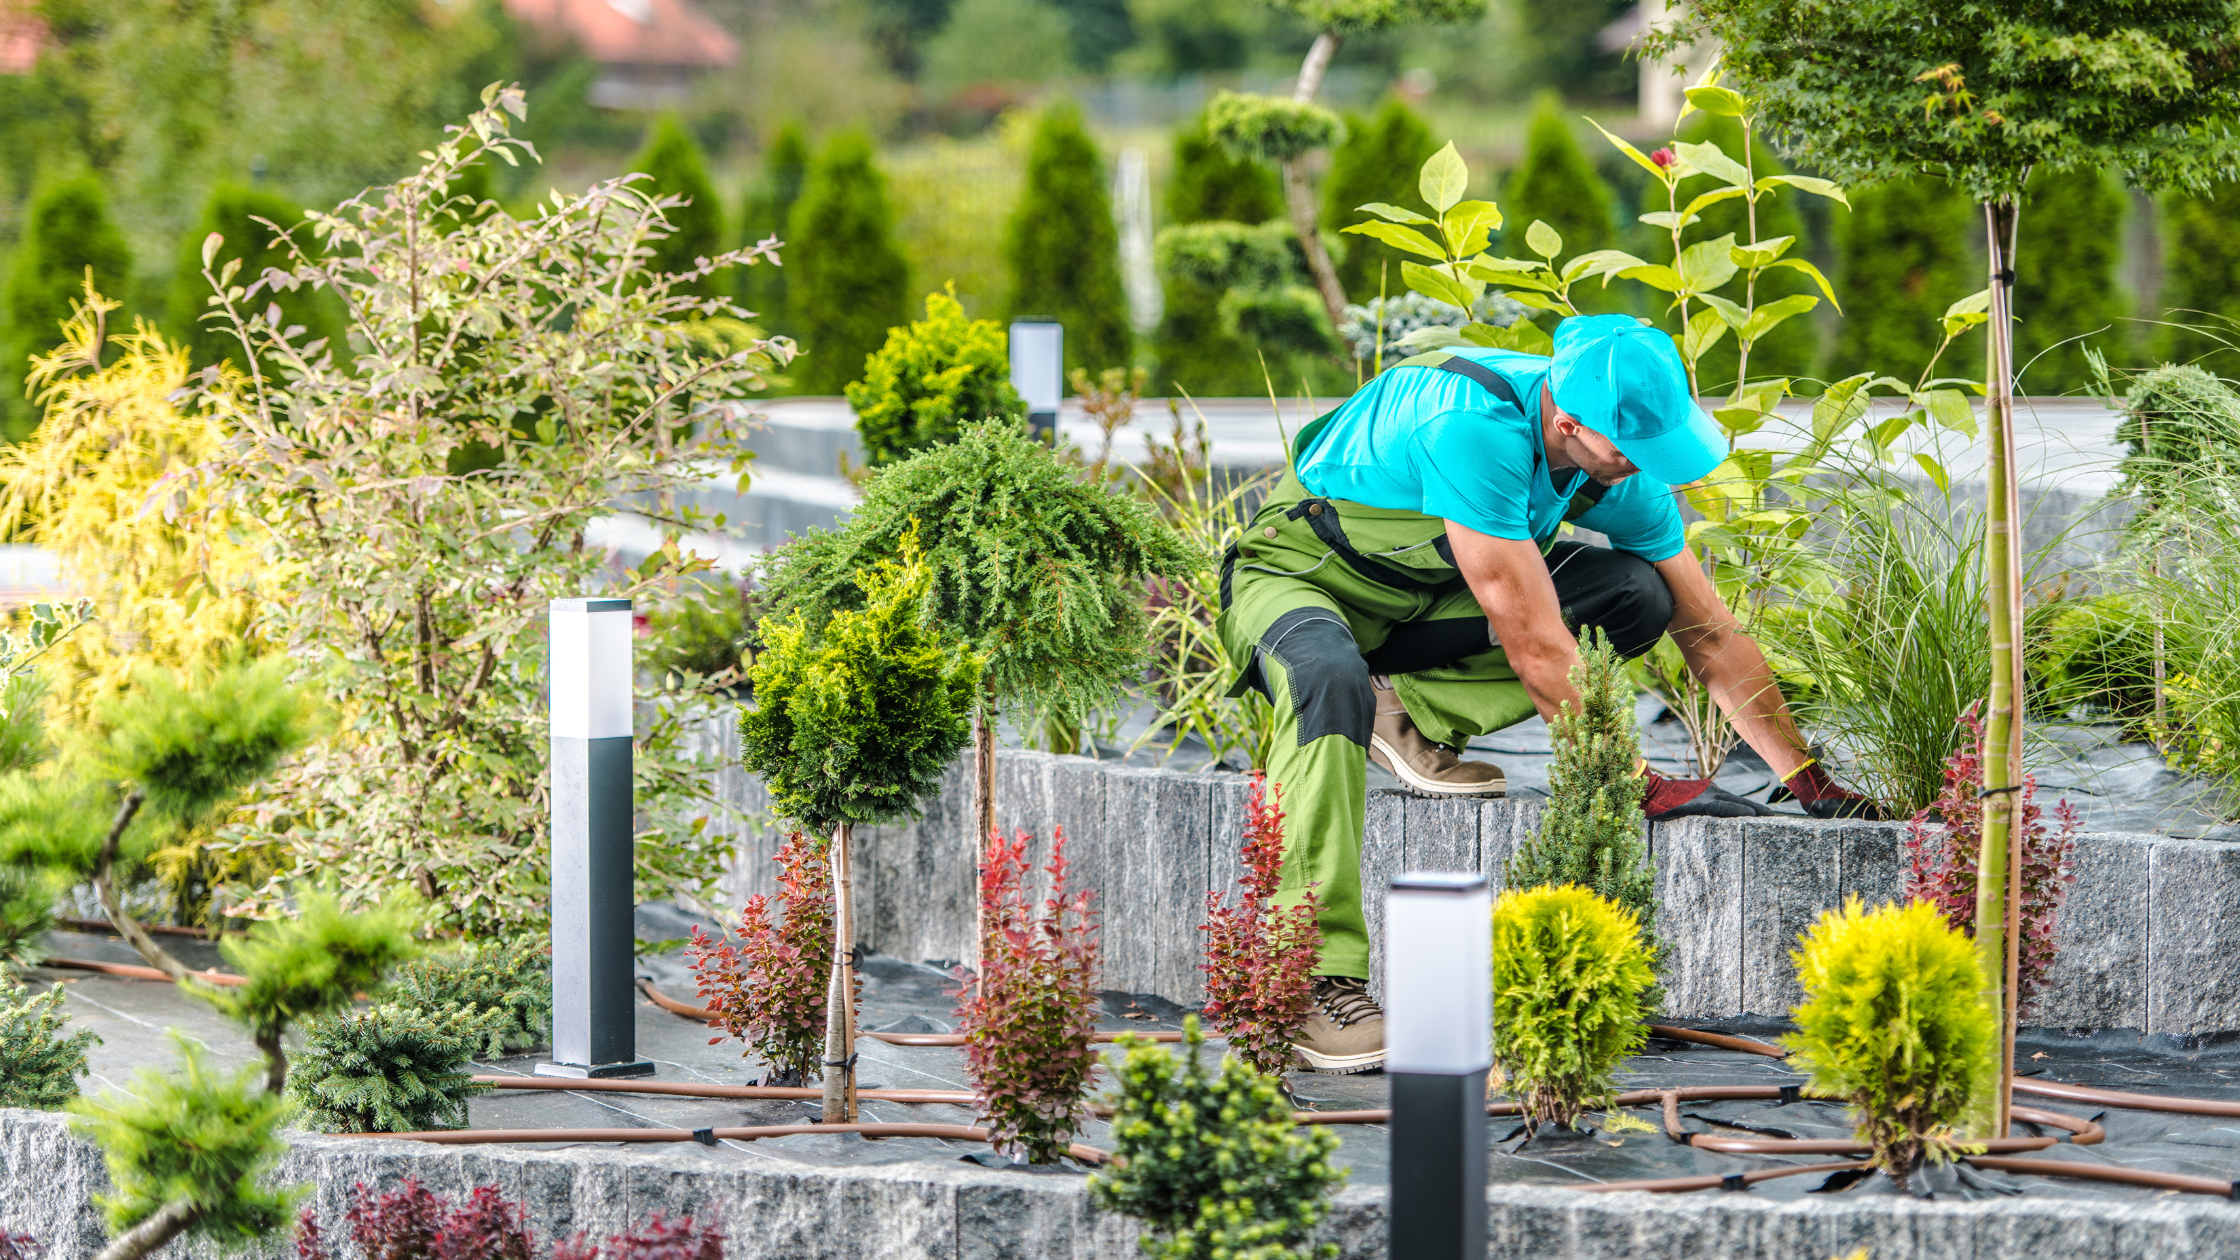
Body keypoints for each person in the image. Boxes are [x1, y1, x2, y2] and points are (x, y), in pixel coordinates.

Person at [1215, 314, 1880, 1075]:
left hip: (1423, 604)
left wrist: (1809, 779)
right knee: (1325, 679)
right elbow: (1531, 640)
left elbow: (1713, 635)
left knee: (1634, 595)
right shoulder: (1467, 425)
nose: (1640, 467)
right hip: (1298, 582)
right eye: (1631, 450)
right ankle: (1311, 978)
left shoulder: (1603, 463)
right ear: (1568, 422)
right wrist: (1629, 780)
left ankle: (1401, 704)